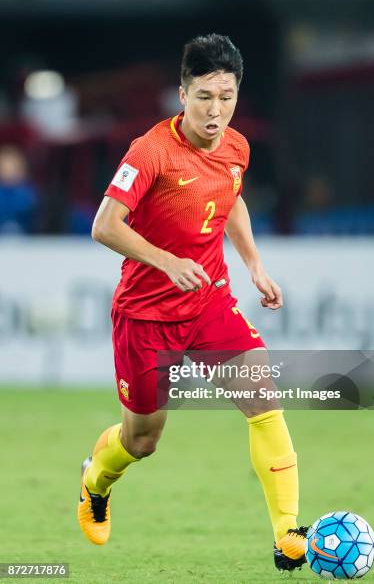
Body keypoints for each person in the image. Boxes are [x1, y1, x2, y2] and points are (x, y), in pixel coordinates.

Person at [77, 34, 307, 572]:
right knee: (142, 440)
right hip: (146, 315)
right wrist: (166, 260)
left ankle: (288, 535)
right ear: (182, 94)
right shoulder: (150, 151)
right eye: (204, 95)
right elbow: (104, 225)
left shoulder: (236, 147)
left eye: (226, 96)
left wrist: (253, 263)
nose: (216, 109)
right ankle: (95, 482)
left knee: (264, 400)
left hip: (208, 302)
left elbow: (229, 200)